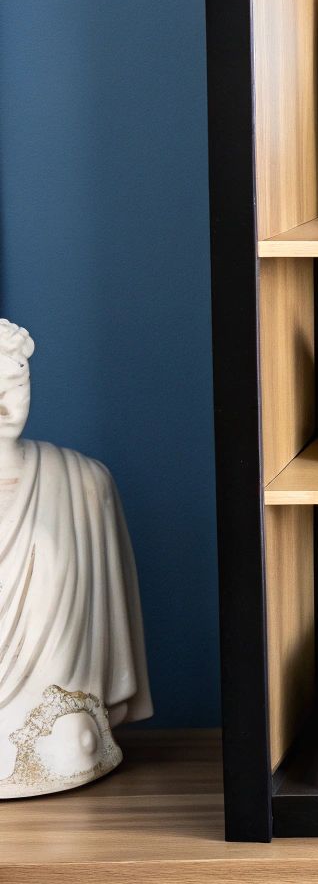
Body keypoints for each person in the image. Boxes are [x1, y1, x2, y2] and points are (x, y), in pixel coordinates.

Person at [0, 319, 152, 797]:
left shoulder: (83, 481)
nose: (5, 404)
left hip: (60, 726)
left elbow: (114, 610)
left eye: (16, 384)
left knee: (65, 741)